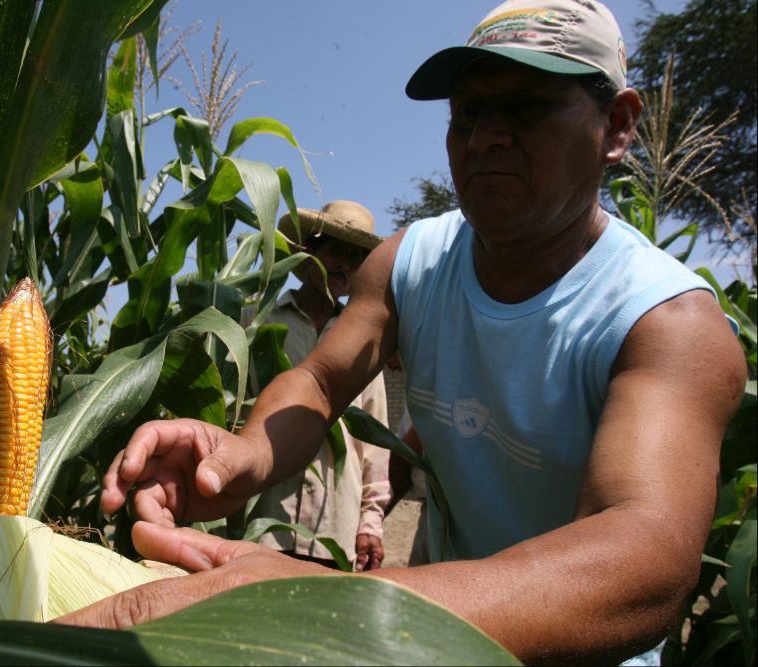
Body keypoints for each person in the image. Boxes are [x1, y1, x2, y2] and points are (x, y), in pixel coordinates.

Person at [56, 1, 747, 663]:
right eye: (468, 114)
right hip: (424, 630)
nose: (483, 138)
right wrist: (242, 456)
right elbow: (322, 379)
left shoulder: (666, 322)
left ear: (618, 127)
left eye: (526, 108)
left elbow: (641, 558)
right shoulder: (409, 261)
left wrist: (333, 604)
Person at [248, 201, 390, 572]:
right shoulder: (257, 321)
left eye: (356, 256)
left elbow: (375, 441)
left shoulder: (366, 341)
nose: (344, 263)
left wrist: (370, 523)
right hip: (260, 520)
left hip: (333, 531)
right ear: (308, 252)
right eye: (336, 250)